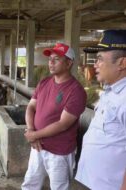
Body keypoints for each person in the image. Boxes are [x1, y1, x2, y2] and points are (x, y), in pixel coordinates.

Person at [21, 43, 87, 190]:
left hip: (59, 152)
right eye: (50, 58)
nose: (51, 62)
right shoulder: (44, 82)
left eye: (56, 59)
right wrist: (31, 131)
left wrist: (34, 135)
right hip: (37, 146)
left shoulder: (76, 91)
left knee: (59, 187)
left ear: (69, 63)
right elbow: (31, 107)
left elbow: (63, 123)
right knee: (30, 184)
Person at [75, 30, 126, 190]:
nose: (94, 65)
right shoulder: (110, 91)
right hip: (95, 181)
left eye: (100, 59)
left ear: (122, 63)